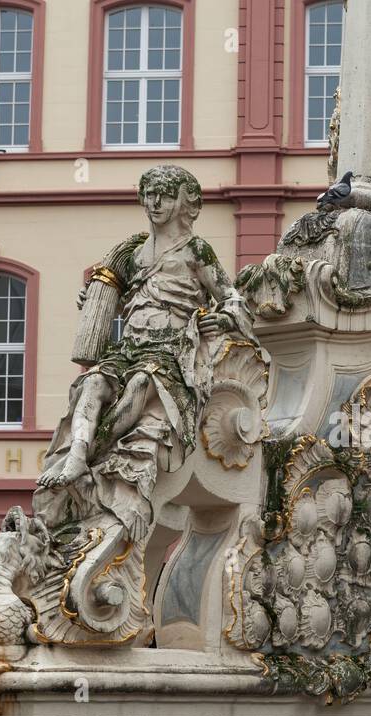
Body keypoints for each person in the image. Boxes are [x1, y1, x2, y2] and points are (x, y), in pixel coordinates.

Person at [35, 164, 255, 541]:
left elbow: (235, 300)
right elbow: (116, 303)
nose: (155, 202)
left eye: (166, 195)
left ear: (184, 201)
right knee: (93, 382)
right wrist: (89, 300)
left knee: (140, 385)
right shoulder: (134, 254)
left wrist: (222, 318)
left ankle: (94, 452)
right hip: (130, 346)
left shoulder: (195, 250)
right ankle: (77, 455)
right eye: (150, 193)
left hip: (170, 351)